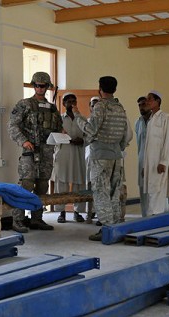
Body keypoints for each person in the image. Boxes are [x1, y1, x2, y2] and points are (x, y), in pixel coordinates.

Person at [72, 76, 129, 241]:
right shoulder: (120, 108)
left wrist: (78, 116)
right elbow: (125, 134)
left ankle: (107, 229)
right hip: (116, 156)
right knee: (114, 191)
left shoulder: (100, 106)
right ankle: (116, 226)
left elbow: (90, 130)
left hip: (101, 156)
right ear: (115, 89)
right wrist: (118, 149)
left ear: (100, 89)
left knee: (101, 192)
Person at [7, 71, 63, 231]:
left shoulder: (52, 108)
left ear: (48, 87)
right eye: (37, 86)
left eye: (43, 86)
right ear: (33, 86)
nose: (40, 88)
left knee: (42, 186)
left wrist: (61, 135)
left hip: (46, 153)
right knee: (26, 184)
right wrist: (23, 141)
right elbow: (12, 125)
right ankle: (17, 220)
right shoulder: (24, 104)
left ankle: (37, 219)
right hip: (30, 153)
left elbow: (58, 127)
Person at [52, 93, 86, 223]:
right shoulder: (59, 120)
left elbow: (89, 136)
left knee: (79, 183)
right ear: (63, 104)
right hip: (63, 154)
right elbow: (53, 137)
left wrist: (82, 141)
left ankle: (78, 212)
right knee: (62, 183)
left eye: (74, 101)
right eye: (68, 101)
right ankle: (62, 212)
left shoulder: (82, 119)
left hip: (78, 153)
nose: (71, 104)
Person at [142, 90, 169, 216]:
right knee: (152, 190)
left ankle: (154, 216)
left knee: (157, 189)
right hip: (150, 163)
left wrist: (163, 161)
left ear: (158, 101)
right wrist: (144, 166)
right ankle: (154, 215)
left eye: (150, 99)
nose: (147, 101)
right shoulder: (150, 119)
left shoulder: (166, 118)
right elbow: (148, 146)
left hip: (159, 162)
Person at [135, 96, 151, 216]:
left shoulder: (158, 120)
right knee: (143, 189)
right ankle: (145, 216)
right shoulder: (138, 122)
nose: (141, 107)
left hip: (154, 160)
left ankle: (158, 216)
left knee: (155, 189)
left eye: (144, 104)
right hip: (141, 159)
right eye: (140, 105)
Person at [85, 96, 100, 225]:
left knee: (101, 186)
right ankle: (89, 213)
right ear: (89, 107)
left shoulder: (103, 120)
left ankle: (100, 213)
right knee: (89, 186)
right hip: (88, 159)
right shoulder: (87, 122)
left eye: (97, 104)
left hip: (101, 158)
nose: (94, 107)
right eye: (92, 104)